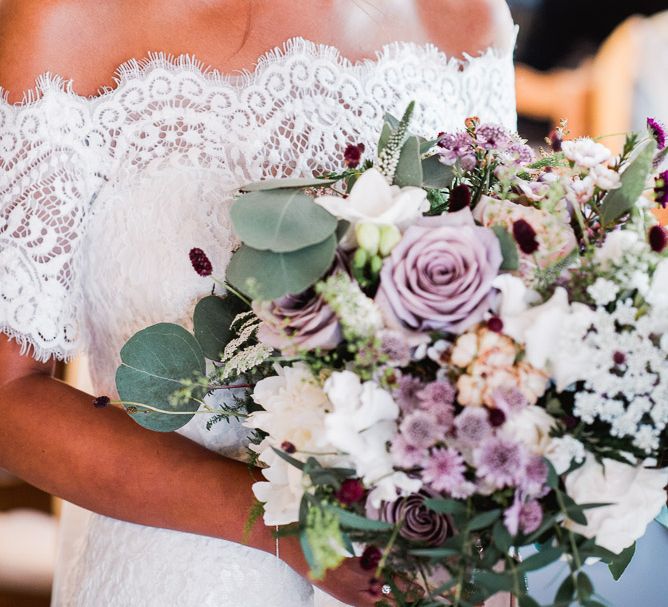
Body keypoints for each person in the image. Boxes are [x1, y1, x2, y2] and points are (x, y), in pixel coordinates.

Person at [0, 1, 517, 605]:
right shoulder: (63, 22)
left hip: (419, 571)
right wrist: (288, 527)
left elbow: (502, 324)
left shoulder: (463, 16)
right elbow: (9, 398)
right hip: (177, 573)